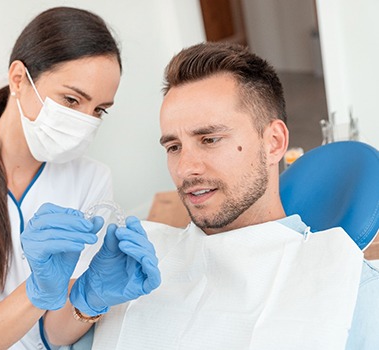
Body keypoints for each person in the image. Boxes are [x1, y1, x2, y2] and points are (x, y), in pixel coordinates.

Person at [67, 42, 379, 349]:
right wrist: (82, 303)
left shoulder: (349, 291)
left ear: (273, 142)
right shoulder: (137, 270)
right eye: (173, 147)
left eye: (210, 139)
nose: (186, 168)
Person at [0, 7, 160, 350]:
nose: (85, 121)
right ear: (19, 79)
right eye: (71, 100)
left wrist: (90, 298)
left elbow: (54, 334)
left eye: (98, 110)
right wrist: (36, 293)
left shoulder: (91, 179)